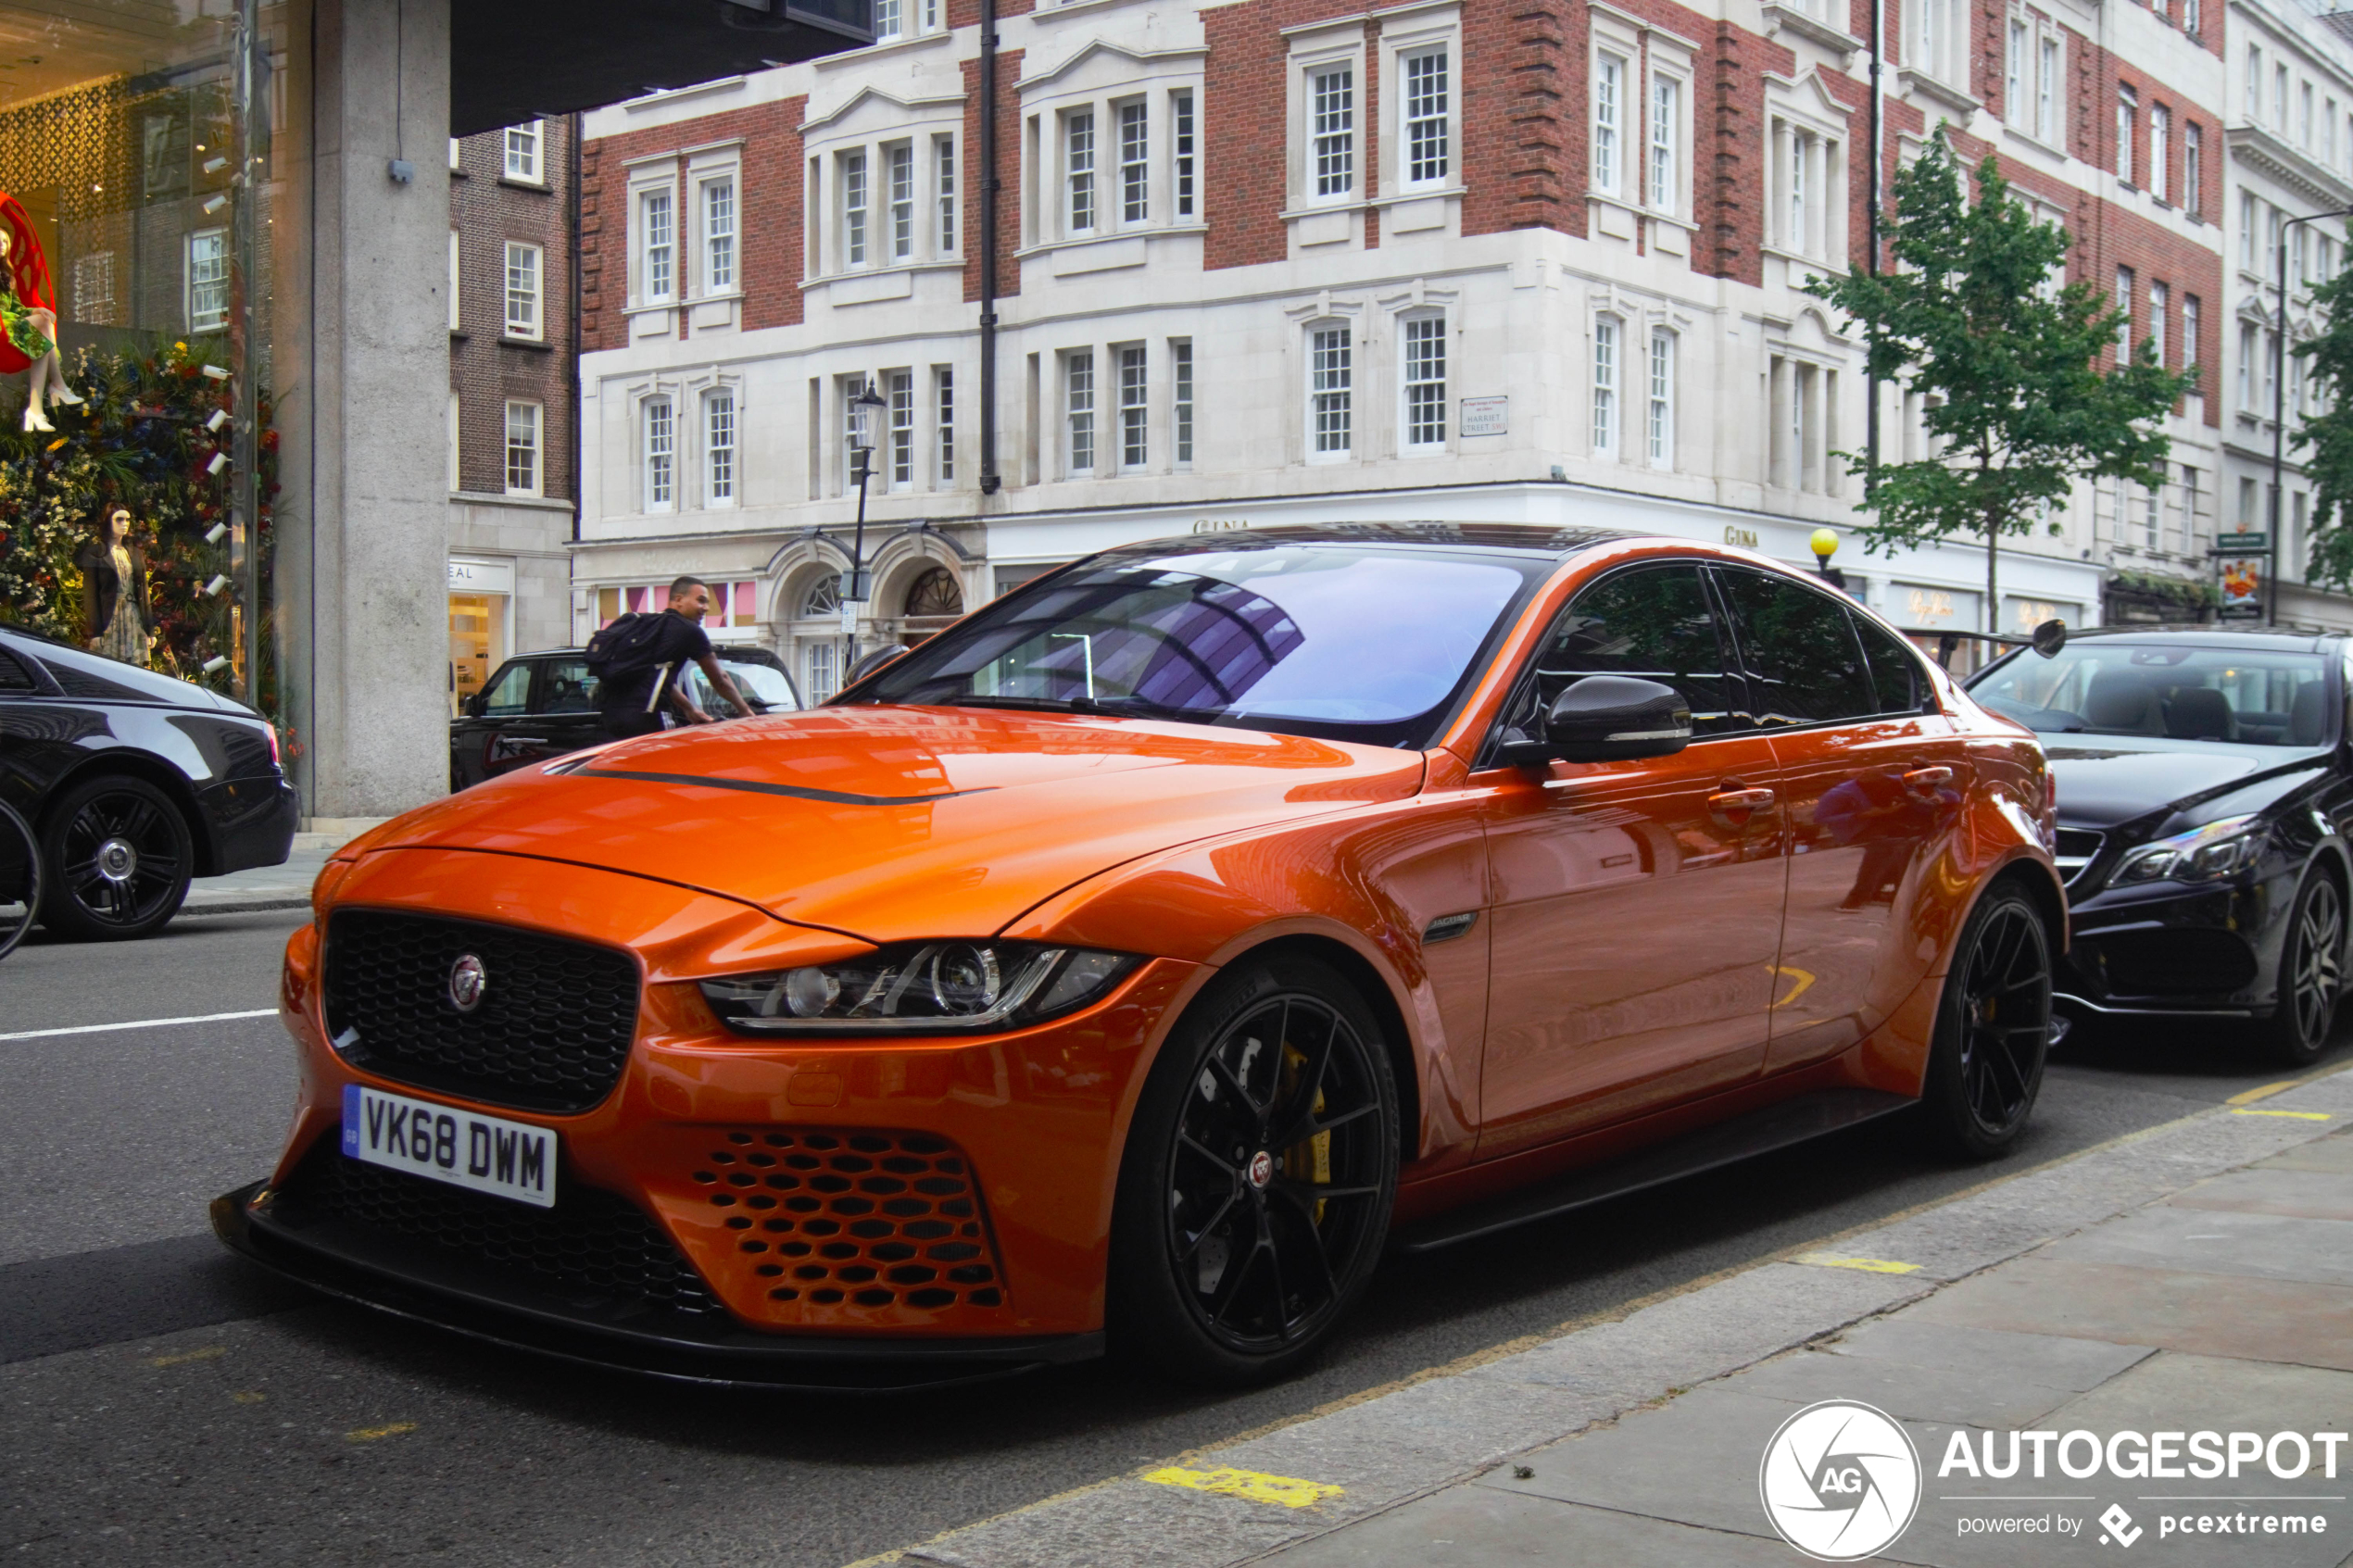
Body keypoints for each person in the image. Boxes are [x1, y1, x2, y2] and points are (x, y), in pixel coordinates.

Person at [594, 576, 754, 741]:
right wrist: (746, 712)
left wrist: (689, 709)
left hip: (611, 716)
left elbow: (659, 679)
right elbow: (720, 679)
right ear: (678, 600)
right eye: (701, 601)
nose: (705, 608)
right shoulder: (689, 630)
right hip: (648, 715)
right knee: (668, 760)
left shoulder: (649, 625)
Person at [0, 202, 82, 433]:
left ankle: (36, 408)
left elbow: (15, 307)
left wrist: (34, 311)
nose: (2, 244)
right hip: (2, 328)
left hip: (11, 324)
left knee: (43, 334)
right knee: (44, 326)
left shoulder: (5, 276)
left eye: (5, 241)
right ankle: (57, 386)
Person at [74, 507, 152, 666]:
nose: (125, 524)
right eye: (119, 519)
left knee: (135, 669)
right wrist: (95, 632)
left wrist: (149, 630)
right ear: (108, 521)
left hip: (133, 616)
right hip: (110, 618)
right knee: (109, 667)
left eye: (127, 520)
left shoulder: (136, 553)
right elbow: (90, 595)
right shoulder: (96, 553)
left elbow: (143, 591)